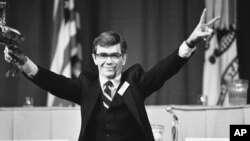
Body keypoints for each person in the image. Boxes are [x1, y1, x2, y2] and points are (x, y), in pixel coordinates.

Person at [4, 9, 219, 141]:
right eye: (104, 55)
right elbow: (53, 82)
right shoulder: (86, 86)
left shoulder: (135, 81)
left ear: (123, 58)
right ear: (95, 58)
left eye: (115, 55)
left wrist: (190, 42)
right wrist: (24, 63)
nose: (109, 61)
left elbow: (164, 70)